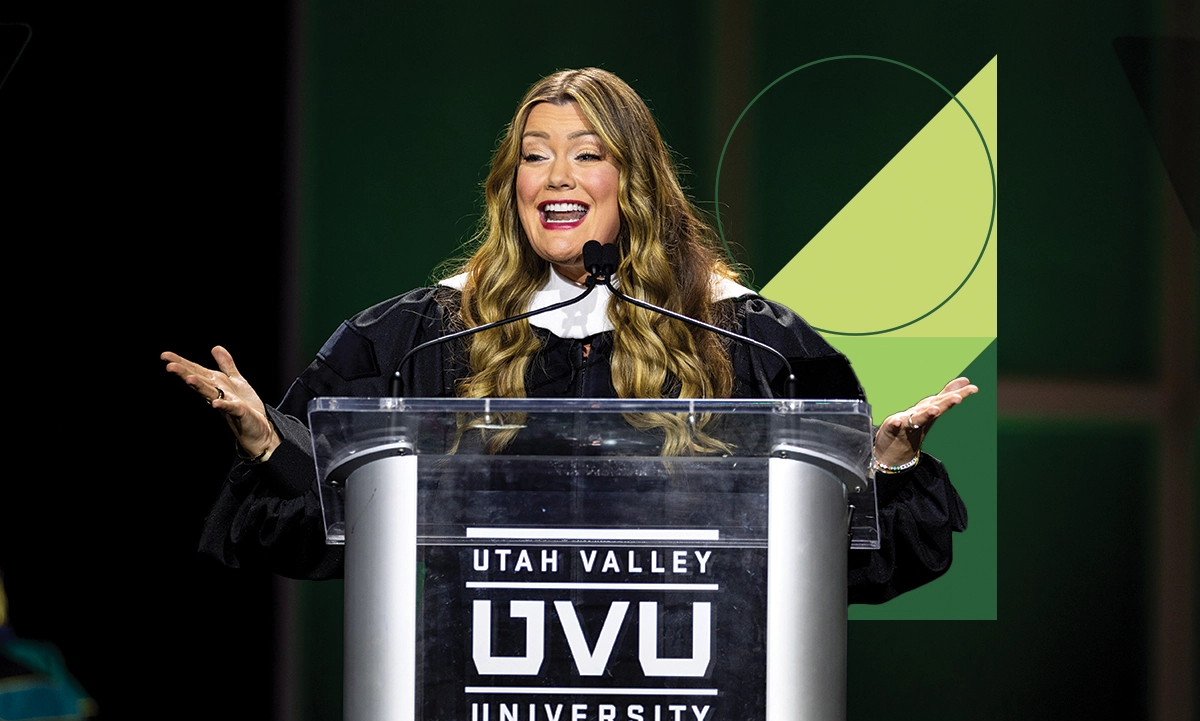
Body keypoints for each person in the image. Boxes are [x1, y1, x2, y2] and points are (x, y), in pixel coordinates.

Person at [163, 67, 975, 603]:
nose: (555, 177)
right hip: (483, 709)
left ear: (635, 180)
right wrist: (271, 442)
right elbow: (331, 525)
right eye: (534, 156)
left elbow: (845, 560)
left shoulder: (748, 339)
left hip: (691, 710)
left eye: (587, 154)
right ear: (508, 182)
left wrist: (885, 468)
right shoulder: (422, 335)